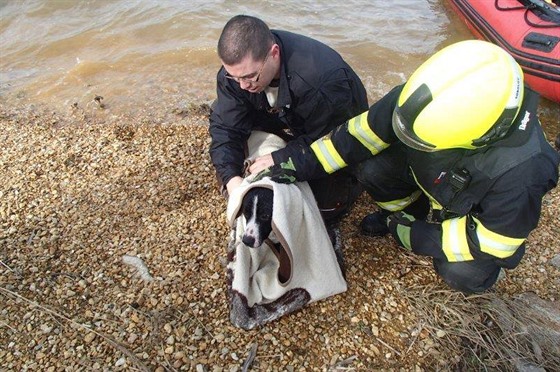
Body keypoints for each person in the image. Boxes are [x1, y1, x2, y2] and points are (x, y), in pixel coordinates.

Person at [251, 40, 560, 293]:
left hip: (466, 208)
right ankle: (403, 211)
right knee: (370, 167)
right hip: (436, 179)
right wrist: (293, 163)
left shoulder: (523, 172)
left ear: (477, 139)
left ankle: (446, 248)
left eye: (422, 141)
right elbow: (355, 137)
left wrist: (416, 235)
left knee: (460, 272)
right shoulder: (429, 95)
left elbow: (495, 243)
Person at [209, 15, 368, 223]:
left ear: (274, 53)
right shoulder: (240, 72)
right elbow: (225, 127)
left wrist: (282, 159)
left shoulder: (322, 84)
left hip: (333, 124)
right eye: (234, 77)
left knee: (324, 206)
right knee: (221, 121)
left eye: (250, 77)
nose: (242, 85)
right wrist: (232, 180)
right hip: (284, 112)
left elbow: (334, 144)